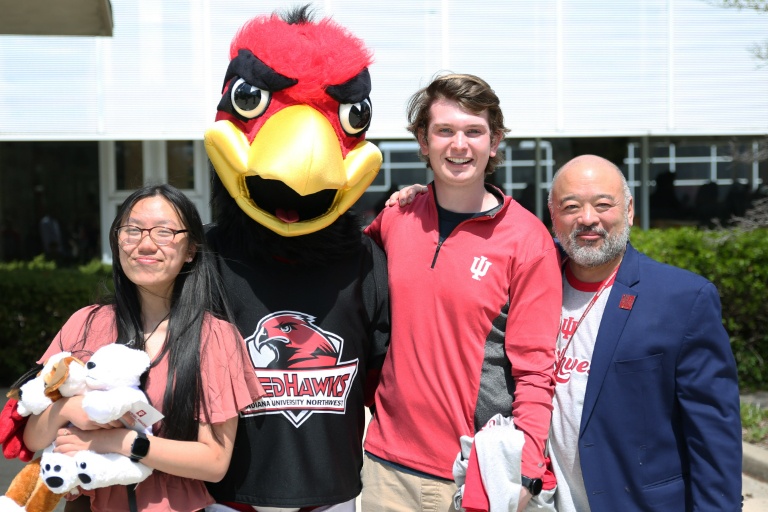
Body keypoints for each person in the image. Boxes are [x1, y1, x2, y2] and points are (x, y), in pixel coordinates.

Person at [361, 73, 562, 512]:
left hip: (470, 472)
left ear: (494, 143)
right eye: (445, 131)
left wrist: (526, 466)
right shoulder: (396, 218)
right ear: (423, 140)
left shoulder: (527, 240)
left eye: (474, 132)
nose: (459, 145)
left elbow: (535, 369)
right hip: (384, 469)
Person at [21, 184, 265, 512]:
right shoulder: (85, 324)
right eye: (132, 230)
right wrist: (67, 409)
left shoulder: (215, 338)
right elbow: (32, 438)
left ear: (191, 249)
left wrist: (116, 442)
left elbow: (214, 460)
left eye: (164, 232)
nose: (145, 244)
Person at [547, 154, 742, 511]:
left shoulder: (682, 298)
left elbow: (714, 436)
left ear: (630, 210)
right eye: (571, 206)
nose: (587, 219)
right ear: (553, 215)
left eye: (603, 204)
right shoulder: (532, 288)